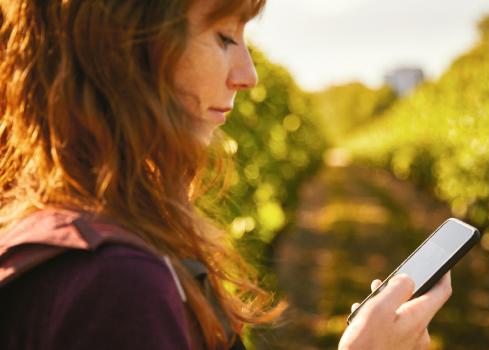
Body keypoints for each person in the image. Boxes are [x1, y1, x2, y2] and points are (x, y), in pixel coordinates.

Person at [0, 0, 452, 349]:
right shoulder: (117, 283)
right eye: (223, 37)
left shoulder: (56, 227)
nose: (248, 75)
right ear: (125, 48)